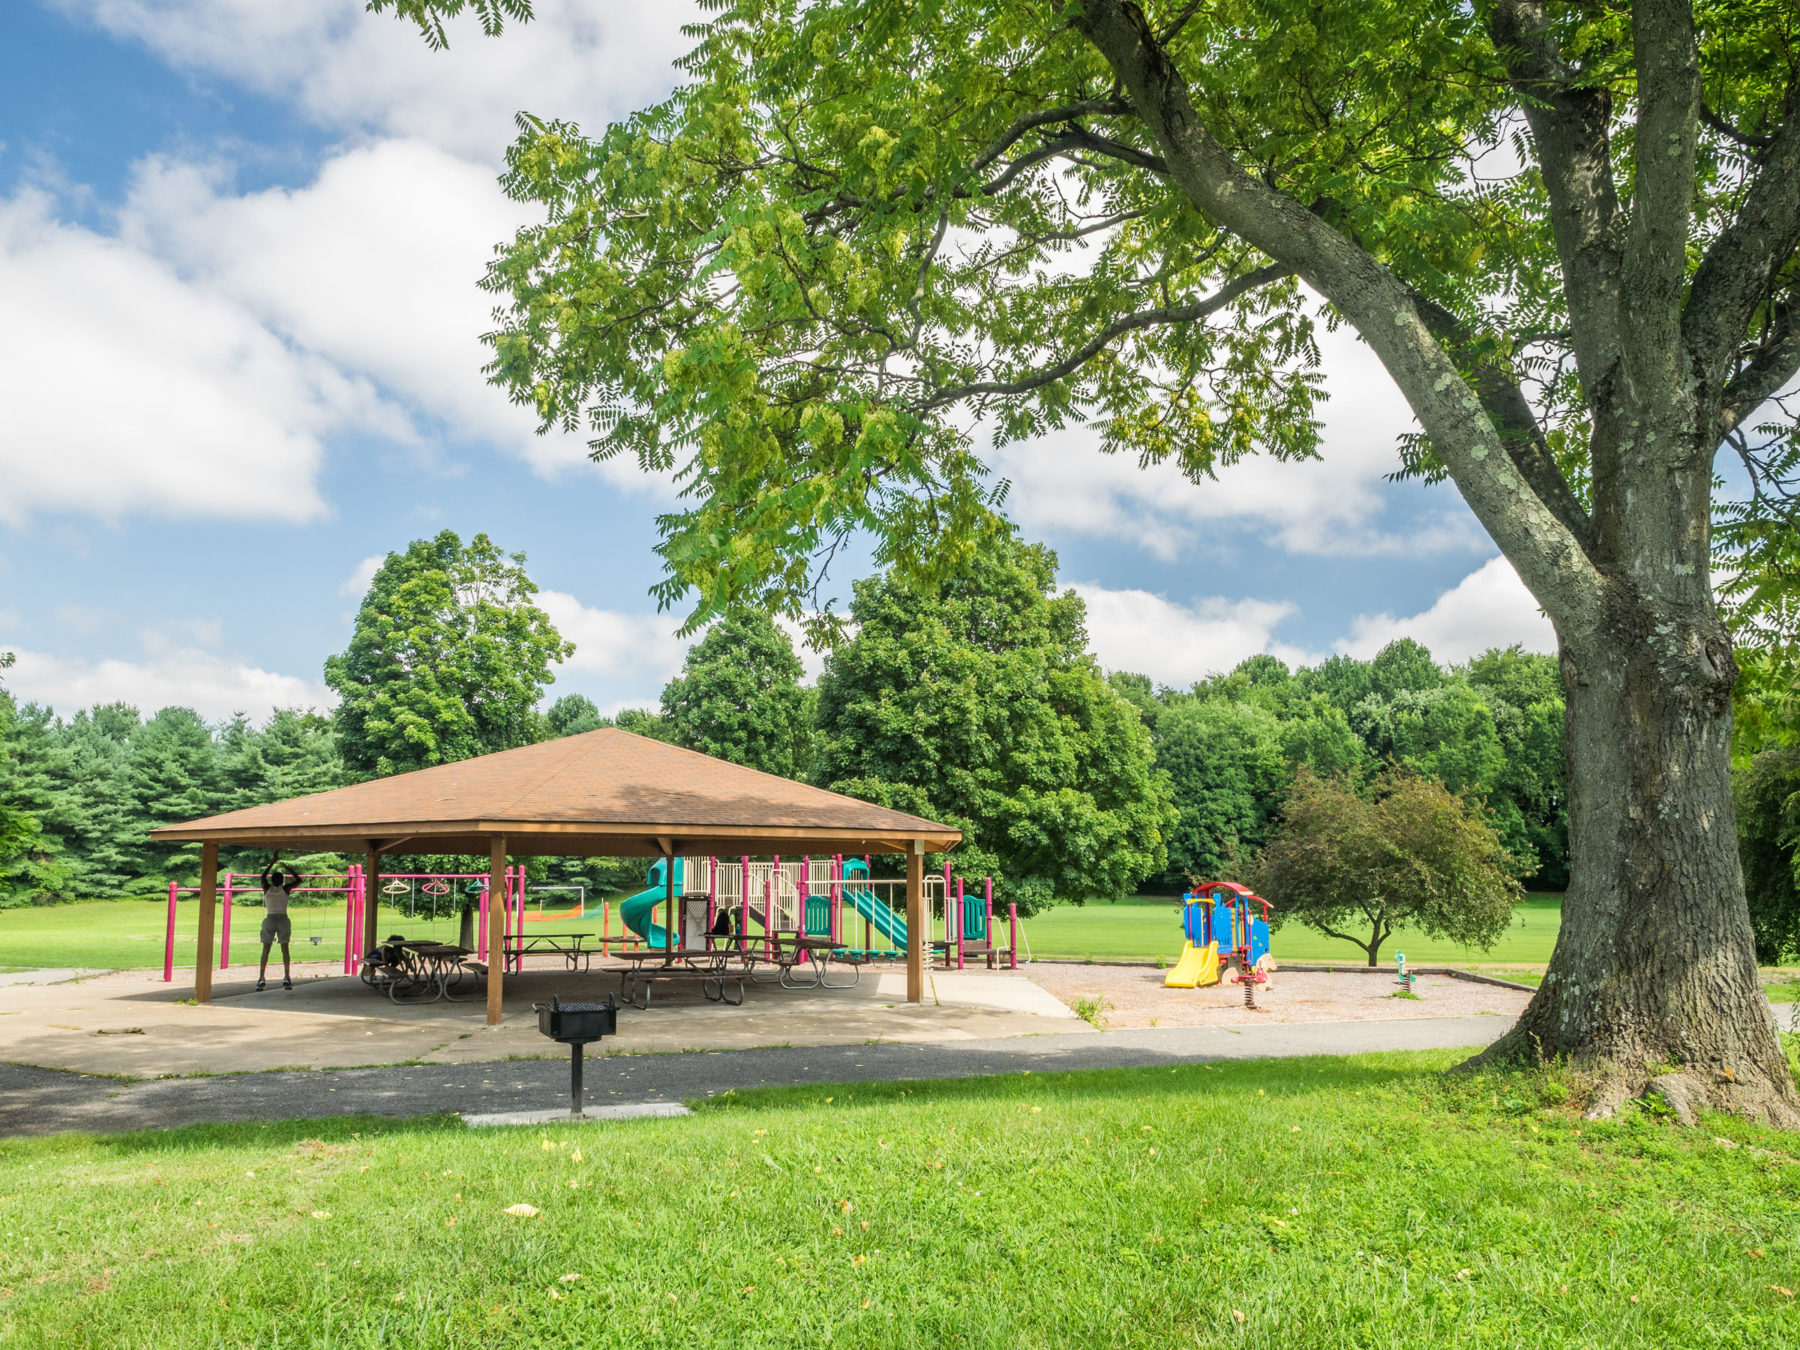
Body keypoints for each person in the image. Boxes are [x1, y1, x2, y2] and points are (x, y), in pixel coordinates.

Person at [257, 860, 299, 991]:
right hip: (283, 919)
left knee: (265, 950)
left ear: (272, 880)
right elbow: (298, 879)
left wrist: (271, 863)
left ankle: (261, 978)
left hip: (269, 919)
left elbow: (263, 877)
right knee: (285, 949)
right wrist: (287, 867)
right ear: (282, 881)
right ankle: (287, 976)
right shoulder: (285, 889)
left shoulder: (267, 888)